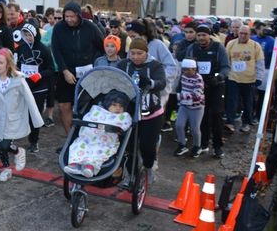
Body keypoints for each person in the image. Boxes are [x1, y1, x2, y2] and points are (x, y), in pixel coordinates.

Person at [0, 48, 43, 182]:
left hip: (14, 119)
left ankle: (18, 151)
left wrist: (37, 120)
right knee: (1, 147)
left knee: (6, 145)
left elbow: (30, 100)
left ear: (8, 63)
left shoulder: (19, 80)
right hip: (0, 119)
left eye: (1, 62)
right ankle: (6, 169)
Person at [116, 38, 166, 185]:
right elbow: (114, 79)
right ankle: (131, 176)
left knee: (146, 146)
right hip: (129, 113)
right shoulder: (123, 64)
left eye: (140, 53)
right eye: (133, 53)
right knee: (129, 147)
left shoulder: (155, 65)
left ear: (146, 53)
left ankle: (149, 167)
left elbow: (162, 83)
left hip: (151, 114)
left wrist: (150, 83)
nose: (136, 57)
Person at [50, 1, 105, 136]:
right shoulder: (59, 28)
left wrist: (92, 64)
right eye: (66, 16)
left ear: (79, 15)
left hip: (87, 74)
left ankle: (85, 138)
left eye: (72, 16)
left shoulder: (90, 27)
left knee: (85, 107)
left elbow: (101, 46)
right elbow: (56, 51)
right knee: (64, 106)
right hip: (66, 73)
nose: (69, 19)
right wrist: (64, 70)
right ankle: (71, 139)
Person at [63, 90, 132, 178]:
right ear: (107, 104)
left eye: (121, 106)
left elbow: (126, 125)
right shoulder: (98, 111)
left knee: (99, 152)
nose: (118, 108)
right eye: (114, 105)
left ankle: (90, 167)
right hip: (89, 138)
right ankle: (73, 164)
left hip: (106, 142)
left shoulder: (123, 116)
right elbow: (87, 118)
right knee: (78, 145)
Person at [185, 24, 230, 159]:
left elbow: (226, 67)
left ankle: (217, 146)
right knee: (201, 116)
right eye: (199, 35)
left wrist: (219, 77)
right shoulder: (192, 48)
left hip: (216, 86)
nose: (201, 38)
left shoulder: (218, 48)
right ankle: (202, 144)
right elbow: (187, 67)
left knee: (216, 114)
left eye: (204, 35)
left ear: (209, 35)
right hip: (199, 87)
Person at [14, 18, 55, 153]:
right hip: (24, 86)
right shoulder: (20, 49)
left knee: (35, 115)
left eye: (29, 34)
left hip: (39, 88)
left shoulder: (43, 49)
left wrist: (40, 75)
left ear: (35, 34)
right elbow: (17, 65)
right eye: (25, 34)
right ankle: (14, 138)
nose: (27, 37)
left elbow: (51, 69)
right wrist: (17, 72)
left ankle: (34, 141)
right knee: (20, 113)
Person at [224, 25, 264, 133]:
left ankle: (246, 123)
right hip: (233, 78)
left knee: (248, 103)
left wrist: (259, 77)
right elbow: (226, 61)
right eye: (241, 33)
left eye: (245, 34)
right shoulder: (231, 44)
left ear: (250, 34)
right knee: (231, 101)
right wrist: (225, 75)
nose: (242, 35)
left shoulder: (256, 46)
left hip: (249, 80)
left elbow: (260, 63)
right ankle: (230, 122)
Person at [174, 59, 205, 157]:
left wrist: (181, 96)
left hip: (196, 107)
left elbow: (197, 94)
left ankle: (197, 146)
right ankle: (182, 144)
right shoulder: (183, 76)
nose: (186, 72)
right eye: (184, 69)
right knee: (179, 125)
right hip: (184, 105)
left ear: (194, 69)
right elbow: (180, 88)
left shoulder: (198, 78)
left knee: (195, 128)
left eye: (188, 70)